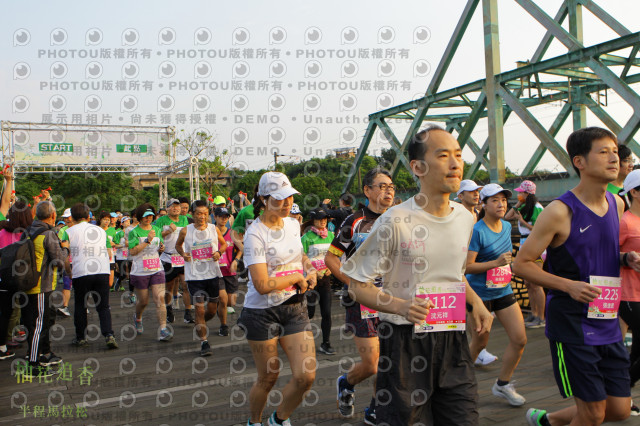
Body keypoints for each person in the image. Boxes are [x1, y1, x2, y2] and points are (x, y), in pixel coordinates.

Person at [341, 125, 493, 425]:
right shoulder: (395, 220)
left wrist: (476, 303)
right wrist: (401, 306)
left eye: (459, 155)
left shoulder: (465, 217)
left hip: (453, 337)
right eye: (443, 155)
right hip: (404, 342)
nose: (455, 164)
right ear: (417, 166)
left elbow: (454, 273)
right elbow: (357, 286)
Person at [513, 127, 638, 426]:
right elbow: (522, 264)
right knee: (593, 413)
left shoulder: (617, 204)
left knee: (619, 410)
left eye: (615, 151)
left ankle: (551, 421)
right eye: (603, 152)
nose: (614, 158)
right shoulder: (559, 211)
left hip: (607, 317)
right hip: (572, 324)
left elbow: (595, 251)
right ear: (579, 162)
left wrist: (625, 258)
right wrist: (568, 286)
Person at [238, 171, 318, 426]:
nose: (286, 204)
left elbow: (300, 255)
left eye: (289, 198)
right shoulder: (255, 235)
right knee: (268, 377)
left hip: (294, 307)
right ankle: (254, 421)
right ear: (263, 199)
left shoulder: (293, 224)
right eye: (279, 199)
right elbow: (261, 284)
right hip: (261, 313)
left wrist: (309, 268)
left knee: (306, 376)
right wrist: (296, 278)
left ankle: (279, 418)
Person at [325, 167, 395, 423]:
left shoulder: (397, 219)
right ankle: (346, 382)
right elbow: (330, 258)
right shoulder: (353, 221)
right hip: (361, 299)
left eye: (391, 187)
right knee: (372, 363)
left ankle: (376, 409)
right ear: (367, 191)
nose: (388, 191)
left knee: (389, 359)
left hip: (391, 299)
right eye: (382, 186)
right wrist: (352, 283)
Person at [466, 184, 527, 406]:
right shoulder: (477, 231)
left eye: (503, 200)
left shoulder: (506, 227)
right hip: (479, 295)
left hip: (503, 289)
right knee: (480, 342)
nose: (501, 204)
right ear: (483, 204)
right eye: (495, 200)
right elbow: (466, 267)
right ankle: (459, 384)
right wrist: (495, 263)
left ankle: (503, 384)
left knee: (520, 339)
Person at [22, 201, 70, 372]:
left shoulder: (28, 231)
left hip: (26, 283)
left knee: (37, 321)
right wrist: (66, 249)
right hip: (41, 286)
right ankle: (34, 363)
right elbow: (58, 261)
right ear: (53, 216)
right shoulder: (48, 234)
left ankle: (44, 353)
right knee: (39, 324)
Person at [176, 200, 226, 355]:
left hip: (211, 274)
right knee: (198, 309)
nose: (202, 217)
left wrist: (219, 253)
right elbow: (178, 245)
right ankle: (204, 342)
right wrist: (183, 254)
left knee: (211, 310)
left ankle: (200, 322)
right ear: (192, 214)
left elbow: (224, 245)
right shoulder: (186, 231)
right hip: (194, 275)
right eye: (199, 213)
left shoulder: (213, 229)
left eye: (205, 213)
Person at [457, 179, 498, 366]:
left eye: (477, 191)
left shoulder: (478, 215)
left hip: (475, 267)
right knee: (466, 308)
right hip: (458, 266)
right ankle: (473, 349)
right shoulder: (455, 215)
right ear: (460, 196)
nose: (475, 194)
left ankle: (476, 348)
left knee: (472, 307)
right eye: (470, 191)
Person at [67, 204, 118, 349]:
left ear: (72, 217)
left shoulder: (68, 232)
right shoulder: (101, 231)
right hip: (101, 270)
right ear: (89, 216)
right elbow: (109, 253)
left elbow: (65, 253)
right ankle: (109, 335)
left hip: (81, 272)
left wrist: (67, 270)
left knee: (80, 305)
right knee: (103, 306)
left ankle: (81, 337)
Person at [128, 204, 172, 342]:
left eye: (150, 216)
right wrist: (147, 240)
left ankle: (163, 329)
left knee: (160, 299)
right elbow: (133, 251)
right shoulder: (133, 232)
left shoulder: (157, 229)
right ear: (140, 217)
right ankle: (138, 317)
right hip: (140, 270)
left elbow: (159, 246)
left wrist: (161, 248)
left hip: (156, 269)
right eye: (145, 216)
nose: (148, 218)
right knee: (143, 301)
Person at [506, 180, 546, 328]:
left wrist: (521, 220)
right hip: (524, 245)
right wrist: (517, 205)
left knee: (536, 283)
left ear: (527, 193)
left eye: (521, 193)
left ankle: (541, 317)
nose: (518, 194)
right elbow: (507, 216)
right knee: (528, 283)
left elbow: (538, 229)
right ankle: (533, 313)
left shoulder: (537, 208)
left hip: (535, 246)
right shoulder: (523, 206)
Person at [616, 169, 640, 416]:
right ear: (634, 191)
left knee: (636, 351)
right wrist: (628, 259)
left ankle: (622, 392)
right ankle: (621, 389)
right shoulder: (624, 221)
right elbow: (607, 255)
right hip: (629, 293)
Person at [0, 200, 33, 360]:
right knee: (28, 312)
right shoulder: (29, 233)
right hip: (25, 277)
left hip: (5, 277)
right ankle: (31, 350)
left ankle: (2, 346)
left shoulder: (2, 233)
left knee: (5, 313)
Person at [301, 207, 335, 355]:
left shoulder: (332, 236)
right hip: (310, 281)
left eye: (325, 218)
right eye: (320, 218)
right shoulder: (306, 238)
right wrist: (310, 273)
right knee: (309, 313)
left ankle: (326, 343)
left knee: (326, 312)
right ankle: (301, 341)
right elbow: (301, 258)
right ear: (313, 220)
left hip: (325, 279)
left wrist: (332, 269)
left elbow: (336, 256)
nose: (323, 221)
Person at [155, 198, 192, 324]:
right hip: (167, 257)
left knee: (185, 285)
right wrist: (168, 231)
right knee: (169, 287)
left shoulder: (184, 219)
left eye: (178, 206)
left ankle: (188, 312)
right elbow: (155, 234)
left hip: (181, 256)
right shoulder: (161, 220)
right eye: (173, 206)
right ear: (167, 208)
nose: (176, 208)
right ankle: (169, 309)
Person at [213, 206, 242, 336]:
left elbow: (240, 248)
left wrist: (236, 261)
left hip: (230, 271)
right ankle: (223, 326)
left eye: (226, 217)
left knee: (231, 302)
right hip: (216, 272)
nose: (224, 219)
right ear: (215, 217)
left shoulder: (232, 233)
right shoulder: (210, 232)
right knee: (223, 300)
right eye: (221, 217)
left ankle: (220, 307)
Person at [56, 208, 74, 317]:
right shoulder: (64, 230)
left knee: (81, 285)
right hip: (68, 260)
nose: (67, 219)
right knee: (67, 284)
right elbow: (61, 244)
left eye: (68, 217)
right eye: (65, 217)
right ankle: (65, 306)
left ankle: (83, 306)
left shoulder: (82, 230)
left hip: (80, 261)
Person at [98, 211, 117, 290]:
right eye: (104, 219)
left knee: (110, 283)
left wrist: (114, 244)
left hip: (110, 258)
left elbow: (117, 243)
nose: (106, 222)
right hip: (99, 257)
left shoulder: (112, 231)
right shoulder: (96, 229)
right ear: (100, 220)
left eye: (108, 220)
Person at [113, 216, 131, 291]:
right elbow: (115, 245)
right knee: (123, 273)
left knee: (130, 273)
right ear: (122, 223)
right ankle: (117, 278)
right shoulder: (119, 234)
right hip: (121, 256)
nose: (128, 223)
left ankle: (131, 290)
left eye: (129, 221)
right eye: (126, 221)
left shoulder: (132, 232)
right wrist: (123, 245)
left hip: (130, 255)